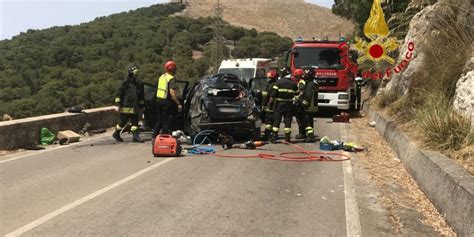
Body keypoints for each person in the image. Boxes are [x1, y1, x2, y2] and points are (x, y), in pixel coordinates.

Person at [113, 66, 145, 143]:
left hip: (135, 107)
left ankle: (135, 137)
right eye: (134, 74)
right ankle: (116, 134)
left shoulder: (138, 84)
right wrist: (118, 104)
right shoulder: (125, 83)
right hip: (126, 107)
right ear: (131, 74)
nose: (136, 75)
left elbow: (141, 96)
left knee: (135, 123)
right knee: (122, 123)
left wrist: (141, 105)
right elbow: (118, 94)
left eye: (137, 74)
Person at [153, 61, 182, 138]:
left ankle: (154, 137)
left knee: (159, 120)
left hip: (158, 101)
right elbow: (172, 93)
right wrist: (178, 103)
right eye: (175, 69)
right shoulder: (171, 79)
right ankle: (164, 139)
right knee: (166, 121)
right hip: (166, 102)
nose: (175, 70)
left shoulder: (162, 77)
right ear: (172, 69)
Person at [269, 70, 298, 143]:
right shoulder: (293, 84)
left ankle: (274, 138)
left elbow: (272, 96)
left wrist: (270, 104)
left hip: (279, 104)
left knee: (277, 121)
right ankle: (287, 139)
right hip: (289, 105)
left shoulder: (278, 82)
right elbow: (298, 94)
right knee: (288, 121)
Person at [295, 67, 318, 142]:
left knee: (307, 121)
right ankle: (303, 134)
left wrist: (303, 104)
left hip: (308, 106)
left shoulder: (310, 84)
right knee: (306, 120)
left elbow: (308, 95)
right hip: (311, 105)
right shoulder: (313, 83)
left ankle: (310, 136)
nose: (303, 75)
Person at [261, 70, 279, 140]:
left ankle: (268, 134)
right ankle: (273, 134)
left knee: (268, 120)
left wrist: (263, 105)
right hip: (276, 106)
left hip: (270, 105)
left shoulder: (269, 85)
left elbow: (266, 96)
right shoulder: (276, 84)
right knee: (274, 121)